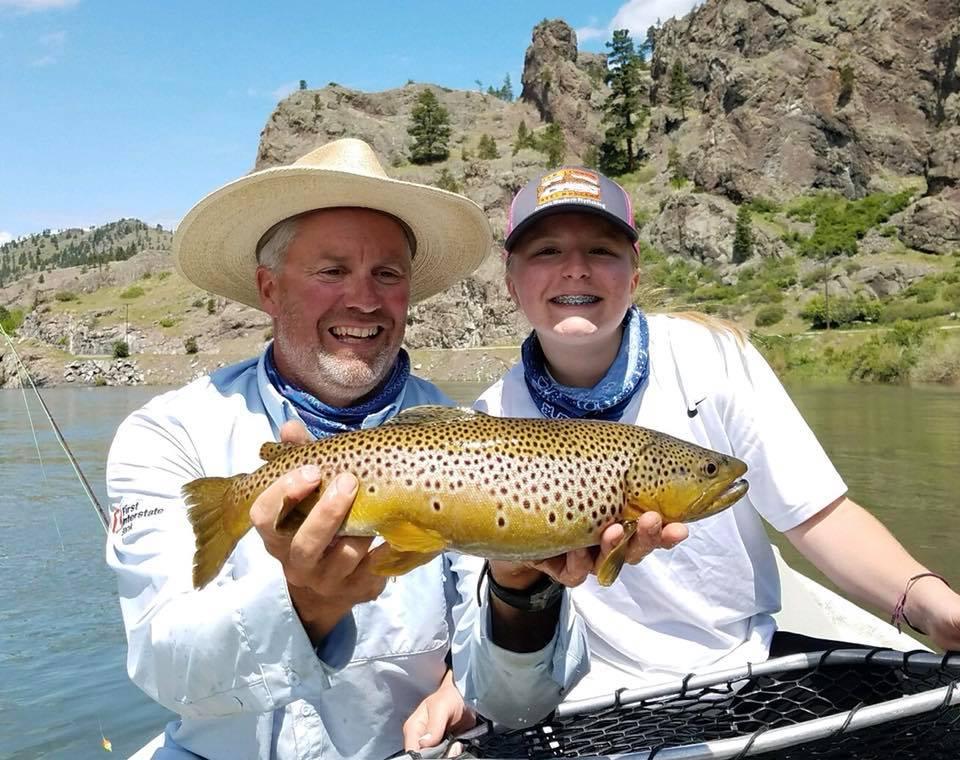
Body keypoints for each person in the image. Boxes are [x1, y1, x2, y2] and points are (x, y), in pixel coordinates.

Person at [106, 140, 679, 760]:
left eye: (387, 274)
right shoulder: (169, 434)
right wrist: (302, 604)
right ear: (269, 289)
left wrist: (520, 589)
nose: (364, 299)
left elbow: (516, 705)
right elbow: (164, 670)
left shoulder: (479, 441)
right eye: (331, 271)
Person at [475, 166, 960, 700]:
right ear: (510, 282)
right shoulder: (488, 417)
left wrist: (927, 602)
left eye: (602, 250)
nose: (575, 270)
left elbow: (817, 514)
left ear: (634, 275)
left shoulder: (712, 355)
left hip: (745, 663)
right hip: (587, 685)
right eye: (546, 251)